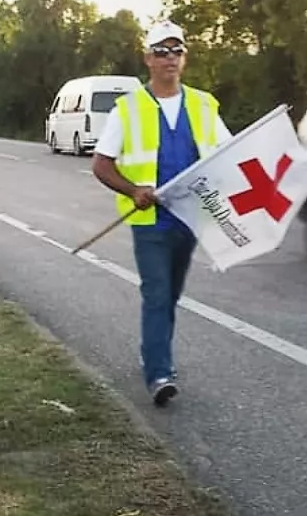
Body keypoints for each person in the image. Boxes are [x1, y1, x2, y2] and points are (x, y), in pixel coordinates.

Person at [91, 20, 232, 406]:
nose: (170, 58)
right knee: (156, 294)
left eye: (177, 51)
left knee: (169, 295)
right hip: (149, 222)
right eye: (161, 51)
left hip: (189, 219)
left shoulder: (204, 104)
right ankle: (159, 373)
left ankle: (152, 351)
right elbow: (101, 164)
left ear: (184, 57)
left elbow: (227, 155)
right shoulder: (128, 108)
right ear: (147, 58)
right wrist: (134, 189)